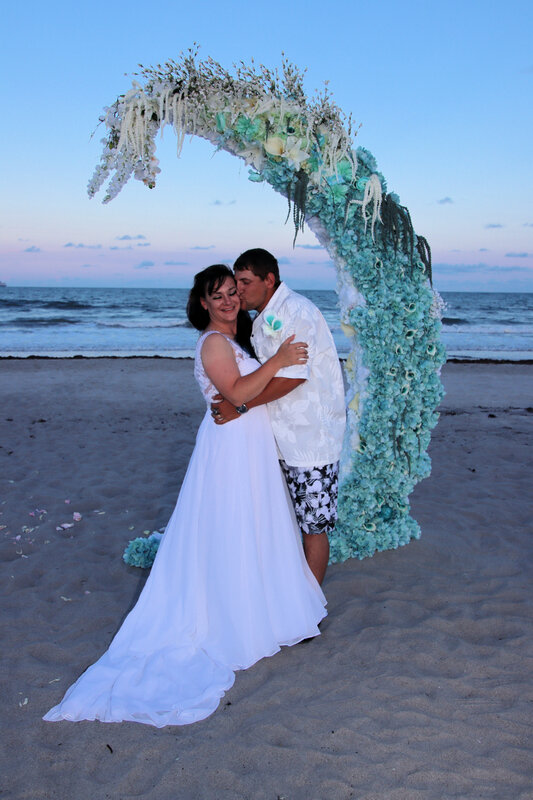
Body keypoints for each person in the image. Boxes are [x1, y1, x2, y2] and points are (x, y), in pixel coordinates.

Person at [43, 265, 326, 728]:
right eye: (219, 296)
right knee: (230, 528)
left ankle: (254, 610)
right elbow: (234, 391)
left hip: (250, 447)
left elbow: (244, 399)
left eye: (234, 292)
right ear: (203, 303)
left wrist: (265, 377)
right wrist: (276, 364)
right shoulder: (214, 343)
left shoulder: (240, 341)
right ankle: (229, 618)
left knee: (251, 527)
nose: (230, 301)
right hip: (229, 452)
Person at [211, 249, 346, 585]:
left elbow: (294, 376)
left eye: (244, 282)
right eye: (236, 283)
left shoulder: (295, 311)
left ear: (268, 280)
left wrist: (241, 405)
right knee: (284, 522)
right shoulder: (261, 316)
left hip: (309, 439)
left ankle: (311, 607)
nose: (238, 290)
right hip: (278, 437)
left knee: (313, 526)